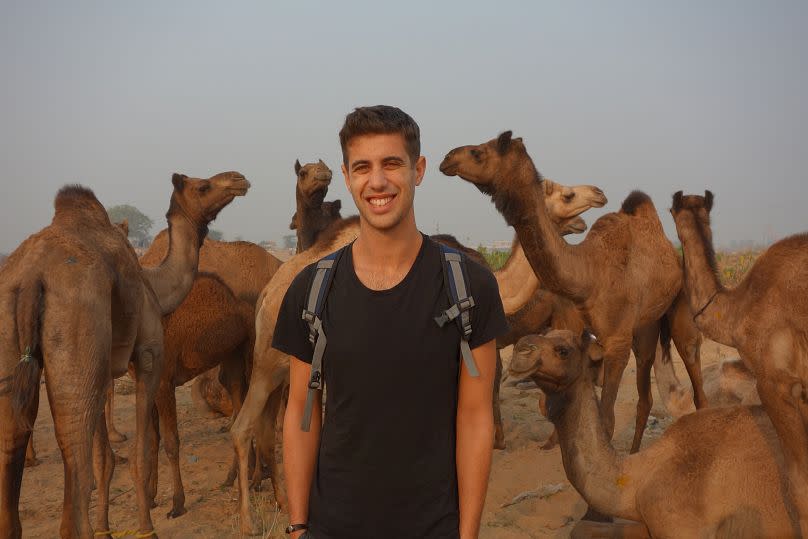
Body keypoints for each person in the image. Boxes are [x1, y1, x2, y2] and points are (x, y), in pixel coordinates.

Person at [274, 105, 508, 539]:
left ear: (418, 170)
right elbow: (302, 412)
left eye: (392, 164)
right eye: (362, 167)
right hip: (333, 526)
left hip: (434, 526)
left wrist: (468, 534)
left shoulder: (469, 288)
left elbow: (476, 418)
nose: (377, 181)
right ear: (346, 176)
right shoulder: (312, 290)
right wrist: (298, 526)